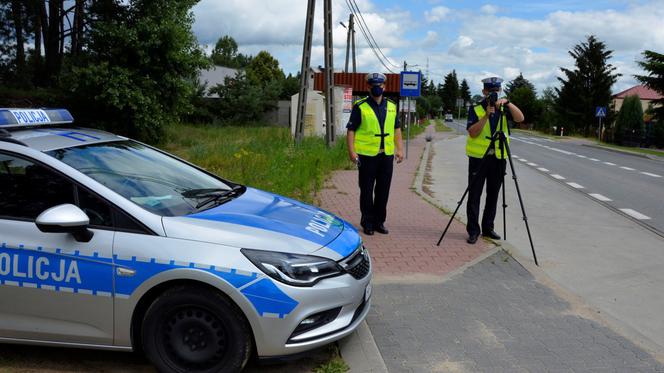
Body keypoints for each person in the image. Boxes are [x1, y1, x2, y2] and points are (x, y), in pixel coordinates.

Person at [465, 77, 524, 244]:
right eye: (491, 91)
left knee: (493, 195)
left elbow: (520, 119)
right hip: (478, 158)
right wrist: (485, 116)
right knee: (474, 195)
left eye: (497, 91)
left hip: (498, 158)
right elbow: (473, 133)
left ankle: (488, 228)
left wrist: (509, 103)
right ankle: (473, 230)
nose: (494, 94)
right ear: (484, 92)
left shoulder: (504, 110)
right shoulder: (475, 109)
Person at [346, 72, 404, 235]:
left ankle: (379, 222)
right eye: (373, 85)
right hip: (366, 156)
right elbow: (351, 131)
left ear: (384, 87)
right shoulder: (360, 106)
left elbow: (396, 129)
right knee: (366, 190)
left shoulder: (392, 106)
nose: (377, 88)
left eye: (380, 85)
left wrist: (399, 149)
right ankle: (368, 222)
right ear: (368, 87)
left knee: (383, 190)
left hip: (386, 156)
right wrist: (352, 152)